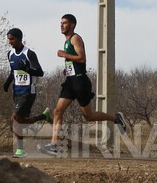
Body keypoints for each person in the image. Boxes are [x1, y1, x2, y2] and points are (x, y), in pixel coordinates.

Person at [38, 14, 127, 156]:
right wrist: (67, 67)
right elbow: (74, 62)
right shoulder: (67, 41)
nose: (61, 25)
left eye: (65, 23)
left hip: (80, 82)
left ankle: (116, 118)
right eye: (60, 23)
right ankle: (54, 145)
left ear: (72, 25)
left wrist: (64, 55)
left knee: (89, 116)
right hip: (70, 82)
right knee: (57, 111)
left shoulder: (75, 38)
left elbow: (82, 57)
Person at [3, 28, 50, 157]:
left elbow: (40, 72)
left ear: (19, 38)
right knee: (21, 121)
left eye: (12, 39)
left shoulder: (29, 53)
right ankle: (43, 117)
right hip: (16, 92)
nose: (10, 42)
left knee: (14, 119)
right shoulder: (10, 54)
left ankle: (20, 150)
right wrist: (7, 82)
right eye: (9, 39)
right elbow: (13, 71)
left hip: (28, 91)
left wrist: (27, 69)